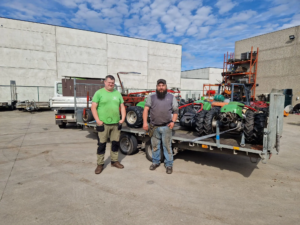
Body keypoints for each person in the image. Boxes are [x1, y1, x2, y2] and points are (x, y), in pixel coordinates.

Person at [91, 75, 126, 174]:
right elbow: (93, 107)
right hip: (103, 124)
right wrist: (97, 120)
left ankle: (114, 161)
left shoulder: (117, 93)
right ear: (105, 82)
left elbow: (122, 106)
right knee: (101, 144)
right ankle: (100, 164)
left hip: (115, 123)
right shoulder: (99, 93)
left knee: (115, 143)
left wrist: (122, 118)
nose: (111, 84)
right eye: (109, 82)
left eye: (112, 83)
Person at [142, 79, 178, 174]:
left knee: (167, 147)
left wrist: (173, 122)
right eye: (159, 85)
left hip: (166, 127)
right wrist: (145, 122)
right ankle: (155, 162)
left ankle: (169, 164)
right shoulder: (151, 97)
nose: (161, 87)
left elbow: (175, 111)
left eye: (163, 85)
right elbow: (146, 110)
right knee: (155, 146)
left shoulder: (171, 97)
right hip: (154, 127)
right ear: (156, 87)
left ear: (166, 86)